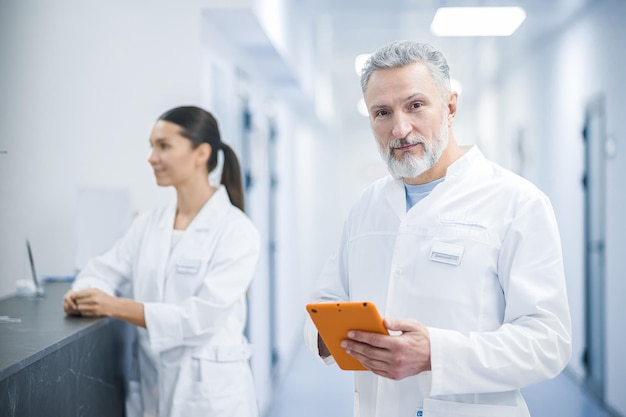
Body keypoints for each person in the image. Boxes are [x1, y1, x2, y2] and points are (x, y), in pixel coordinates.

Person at [304, 41, 572, 417]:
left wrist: (436, 353)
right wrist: (325, 338)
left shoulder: (517, 202)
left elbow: (548, 343)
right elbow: (324, 303)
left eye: (415, 105)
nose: (400, 128)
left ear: (450, 106)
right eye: (382, 112)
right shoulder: (367, 206)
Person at [63, 106, 260, 417]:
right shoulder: (149, 224)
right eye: (151, 146)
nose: (151, 157)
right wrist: (85, 293)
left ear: (201, 153)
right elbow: (101, 269)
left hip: (210, 395)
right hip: (152, 388)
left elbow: (198, 319)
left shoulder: (236, 231)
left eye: (164, 146)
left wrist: (112, 306)